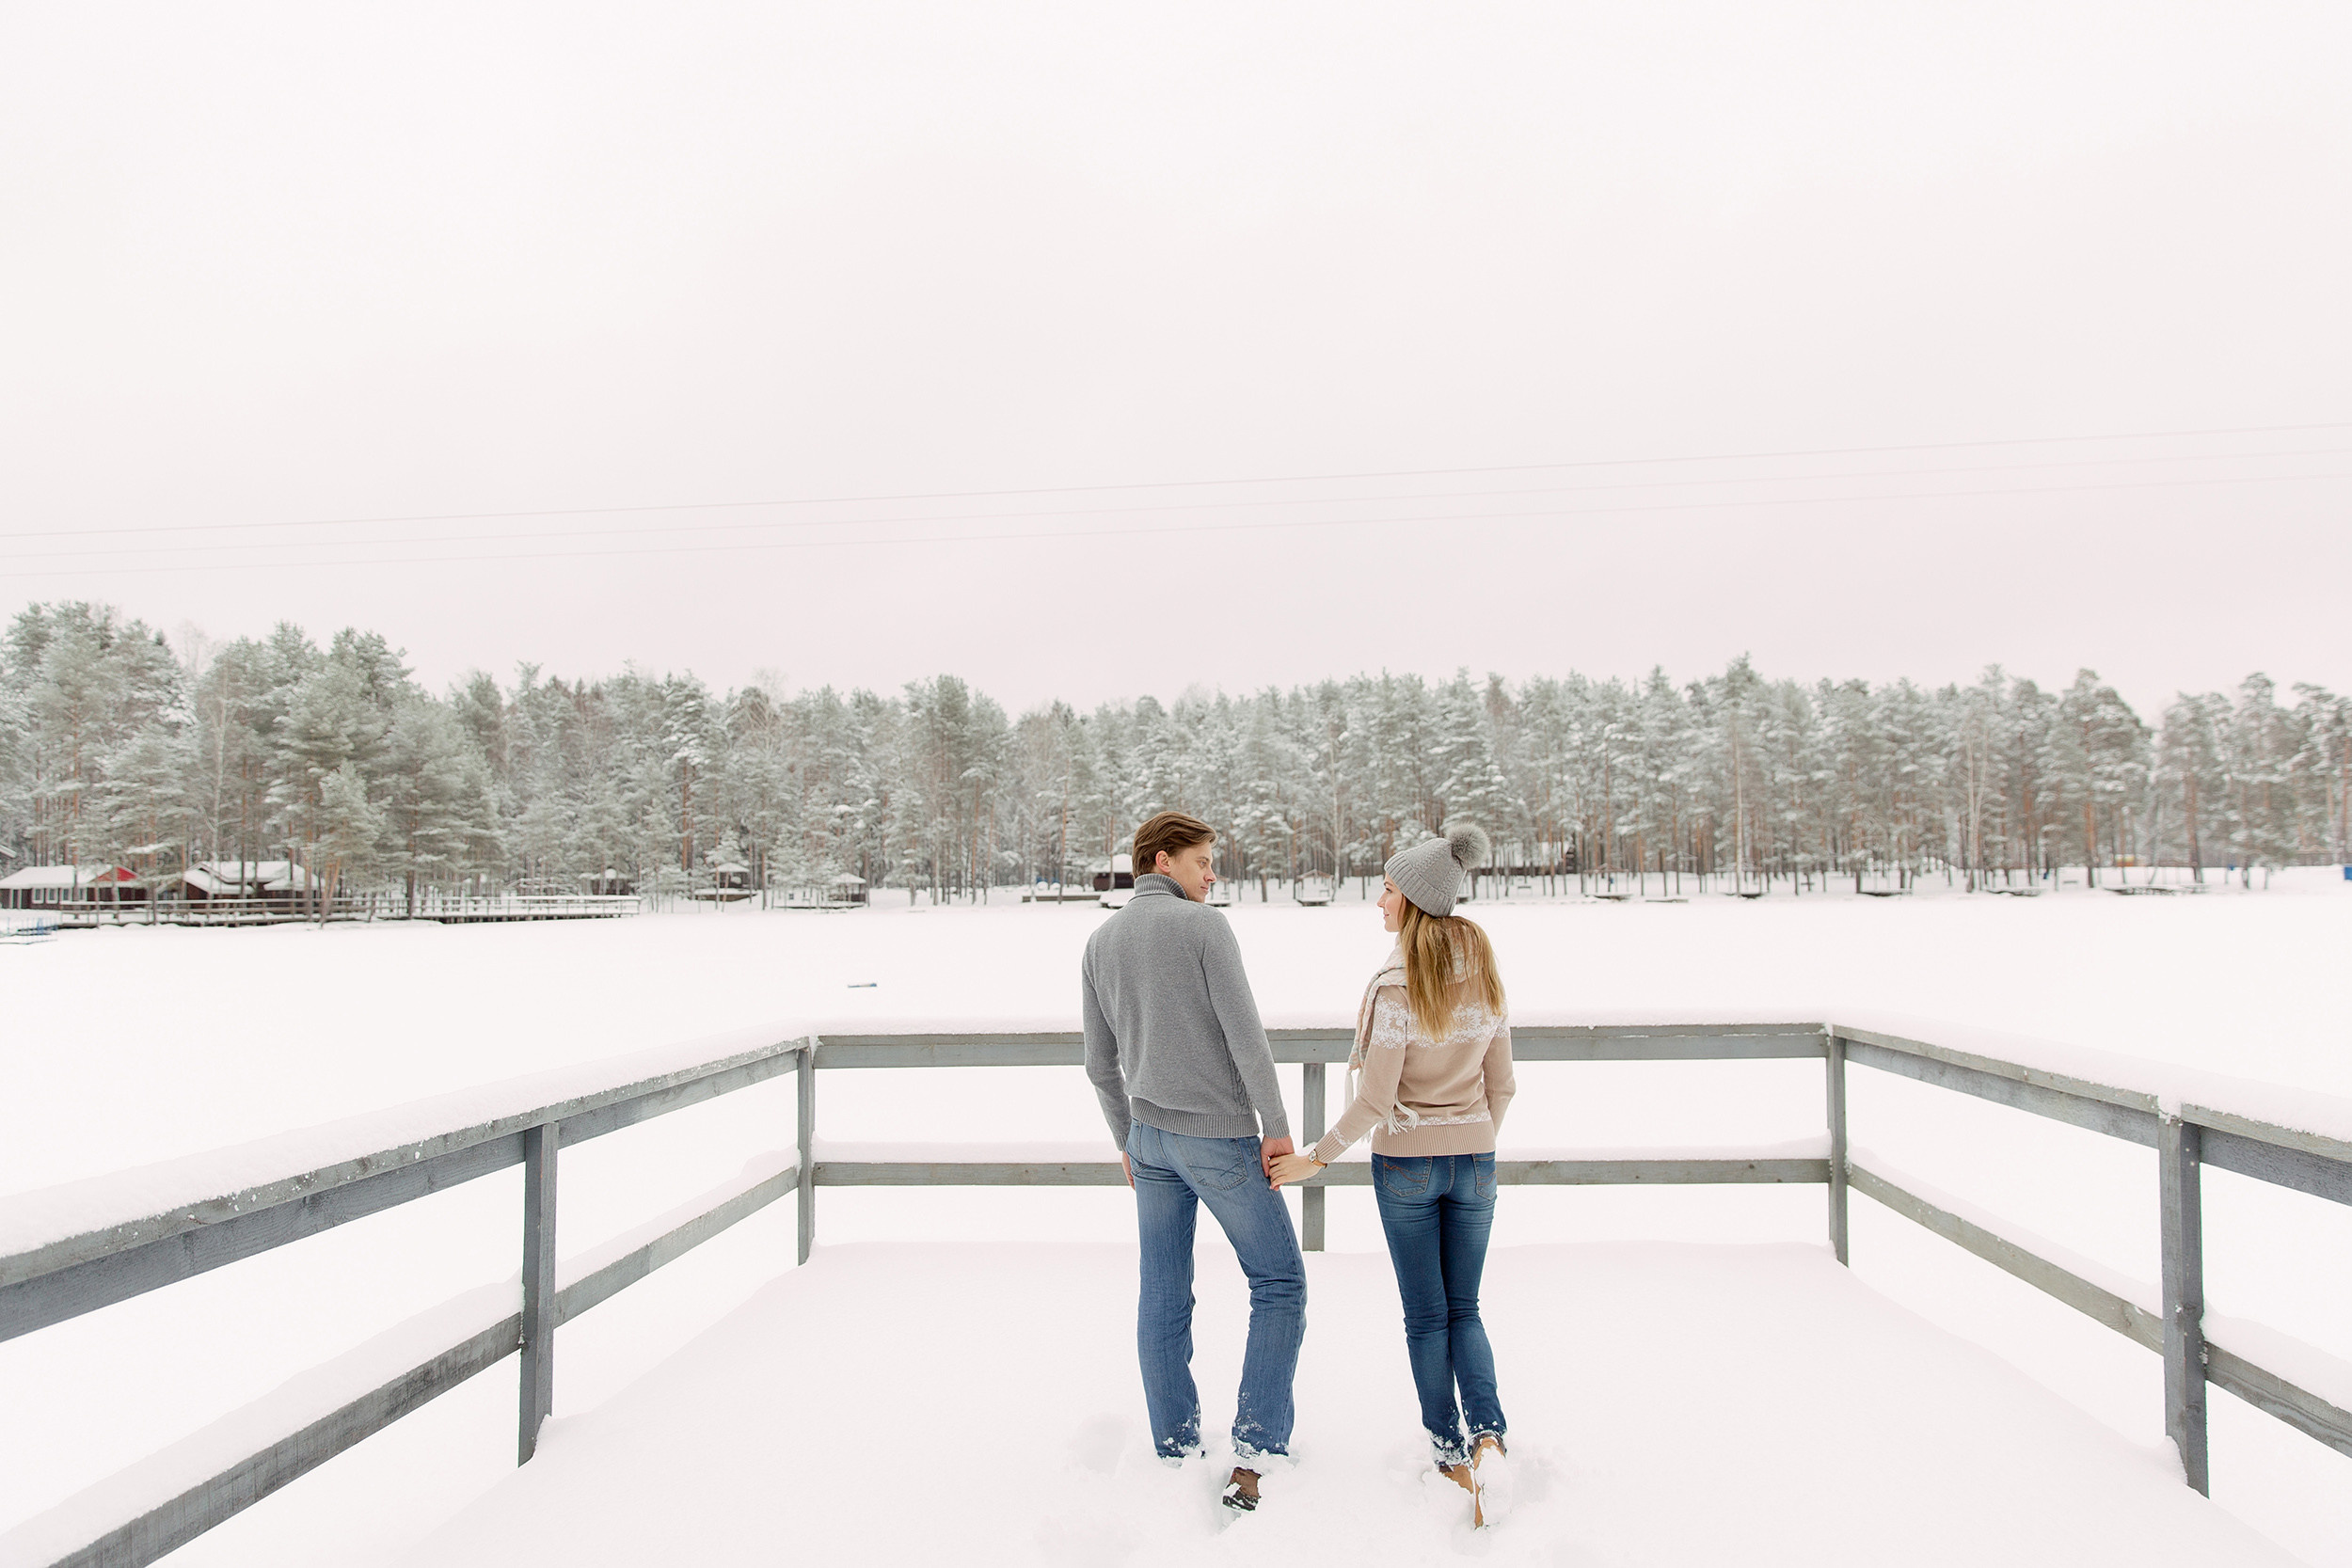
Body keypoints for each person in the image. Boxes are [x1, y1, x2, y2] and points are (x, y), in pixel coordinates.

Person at [1270, 823, 1518, 1528]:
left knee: (1427, 1315)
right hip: (1475, 1162)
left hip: (1407, 1165)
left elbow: (1377, 1099)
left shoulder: (1395, 985)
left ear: (1410, 898)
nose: (1378, 900)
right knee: (1466, 1309)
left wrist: (1315, 1155)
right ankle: (1491, 1435)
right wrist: (1471, 1141)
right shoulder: (1486, 970)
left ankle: (1449, 1452)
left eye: (1385, 887)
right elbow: (1502, 1086)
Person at [1082, 810, 1306, 1514]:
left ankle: (1175, 1448)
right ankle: (1256, 1448)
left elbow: (1098, 1063)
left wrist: (1127, 1135)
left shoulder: (1099, 941)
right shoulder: (1205, 928)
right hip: (1218, 1140)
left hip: (1149, 1139)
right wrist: (1276, 1127)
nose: (1213, 873)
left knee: (1162, 1293)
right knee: (1279, 1281)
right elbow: (1249, 1038)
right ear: (1161, 860)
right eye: (1202, 860)